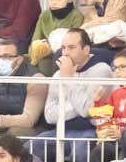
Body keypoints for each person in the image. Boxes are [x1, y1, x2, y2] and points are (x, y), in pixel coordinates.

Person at [30, 28, 112, 162]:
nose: (66, 53)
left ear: (86, 50)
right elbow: (50, 115)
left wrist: (69, 79)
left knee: (80, 152)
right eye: (63, 48)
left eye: (71, 48)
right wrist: (78, 104)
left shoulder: (101, 70)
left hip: (91, 130)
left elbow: (87, 110)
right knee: (29, 148)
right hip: (61, 130)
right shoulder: (58, 74)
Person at [28, 0, 85, 76]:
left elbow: (74, 44)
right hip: (43, 56)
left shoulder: (77, 16)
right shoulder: (44, 15)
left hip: (64, 56)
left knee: (48, 61)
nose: (53, 2)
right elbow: (34, 43)